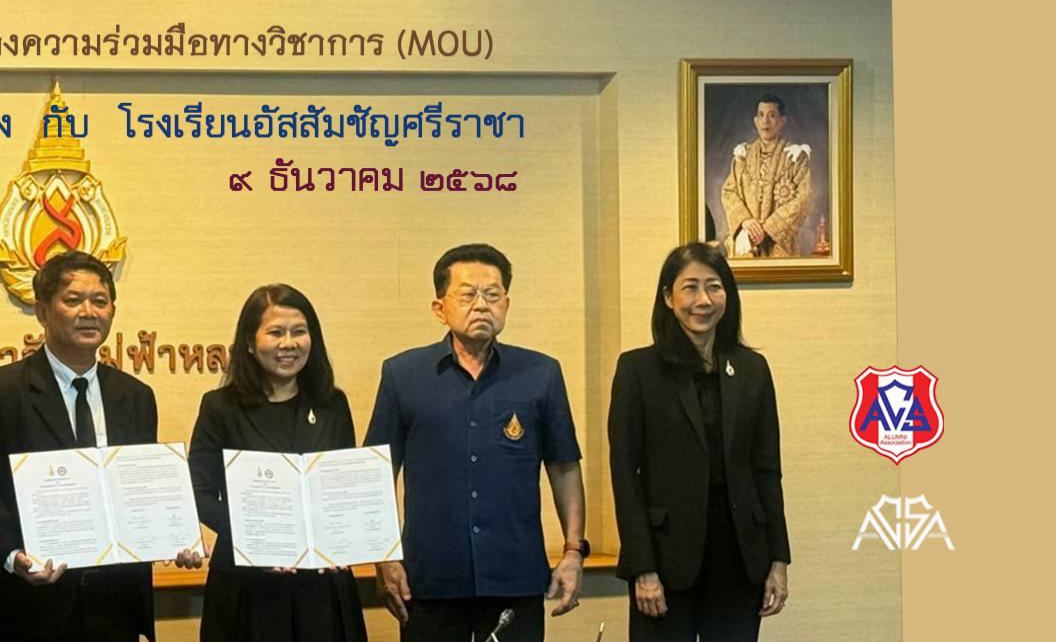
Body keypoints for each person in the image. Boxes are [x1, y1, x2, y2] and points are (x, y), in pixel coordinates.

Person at [0, 251, 202, 642]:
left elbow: (142, 490)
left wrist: (175, 537)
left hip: (117, 603)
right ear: (42, 311)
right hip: (35, 601)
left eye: (100, 301)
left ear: (112, 310)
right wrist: (12, 555)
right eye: (73, 300)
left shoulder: (136, 396)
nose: (89, 312)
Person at [364, 243, 587, 642]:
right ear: (439, 308)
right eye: (467, 294)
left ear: (507, 303)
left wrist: (573, 552)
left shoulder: (541, 374)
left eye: (492, 294)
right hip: (429, 578)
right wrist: (384, 558)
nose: (481, 305)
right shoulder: (402, 375)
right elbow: (375, 473)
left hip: (514, 576)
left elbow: (564, 467)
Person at [608, 242, 791, 641]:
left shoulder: (752, 368)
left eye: (714, 286)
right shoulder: (638, 369)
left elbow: (767, 471)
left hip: (739, 555)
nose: (703, 300)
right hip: (665, 557)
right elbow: (625, 476)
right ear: (668, 297)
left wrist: (778, 559)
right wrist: (643, 568)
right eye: (690, 287)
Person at [187, 284, 370, 642]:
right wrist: (257, 539)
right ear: (250, 342)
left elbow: (342, 488)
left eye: (299, 331)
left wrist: (347, 536)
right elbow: (199, 492)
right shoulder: (220, 406)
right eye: (275, 332)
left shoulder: (332, 404)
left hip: (321, 586)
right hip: (247, 585)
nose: (289, 343)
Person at [720, 94, 813, 258]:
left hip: (780, 245)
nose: (765, 121)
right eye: (761, 115)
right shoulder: (743, 156)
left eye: (771, 115)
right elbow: (729, 192)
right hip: (746, 240)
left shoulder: (795, 157)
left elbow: (803, 200)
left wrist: (767, 229)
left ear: (782, 121)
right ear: (755, 121)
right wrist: (745, 222)